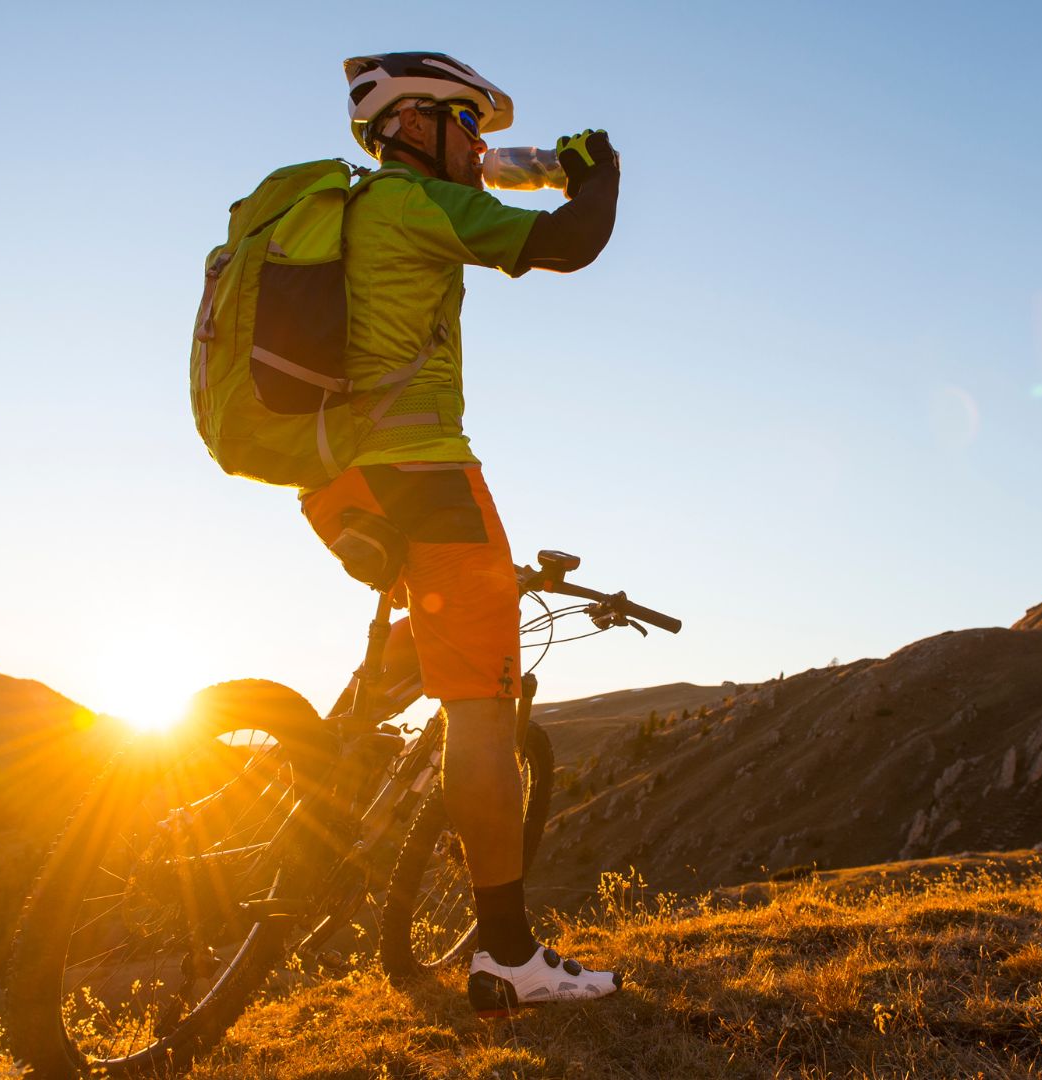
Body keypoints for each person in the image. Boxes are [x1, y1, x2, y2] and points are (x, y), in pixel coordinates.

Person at [301, 52, 622, 1015]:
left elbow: (490, 169)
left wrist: (523, 160)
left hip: (334, 479)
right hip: (429, 476)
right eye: (465, 123)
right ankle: (509, 958)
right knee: (483, 710)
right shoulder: (418, 206)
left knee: (427, 637)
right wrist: (600, 173)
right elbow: (567, 245)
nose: (479, 144)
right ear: (415, 123)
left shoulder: (351, 209)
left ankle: (308, 783)